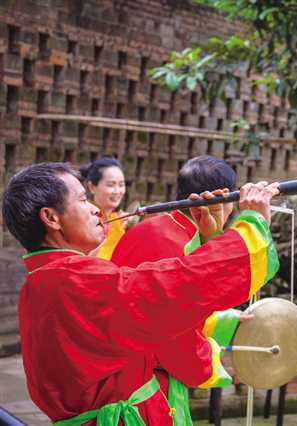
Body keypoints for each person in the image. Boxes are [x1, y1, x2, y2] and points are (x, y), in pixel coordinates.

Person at [2, 162, 279, 424]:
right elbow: (173, 290)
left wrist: (207, 240)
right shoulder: (72, 279)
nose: (96, 210)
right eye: (83, 200)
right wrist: (252, 228)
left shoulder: (45, 279)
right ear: (51, 218)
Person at [110, 155, 248, 424]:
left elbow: (166, 310)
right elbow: (174, 337)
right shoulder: (180, 247)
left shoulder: (149, 229)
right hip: (144, 386)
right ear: (220, 199)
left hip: (117, 371)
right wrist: (212, 362)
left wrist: (227, 320)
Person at [79, 157, 132, 260]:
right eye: (110, 185)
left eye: (121, 185)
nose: (117, 191)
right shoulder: (84, 219)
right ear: (92, 187)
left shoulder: (121, 221)